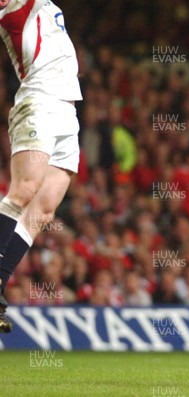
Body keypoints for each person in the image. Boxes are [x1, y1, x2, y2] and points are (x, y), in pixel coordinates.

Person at [0, 0, 82, 332]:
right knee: (23, 190)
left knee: (43, 209)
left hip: (67, 111)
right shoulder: (11, 13)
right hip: (39, 100)